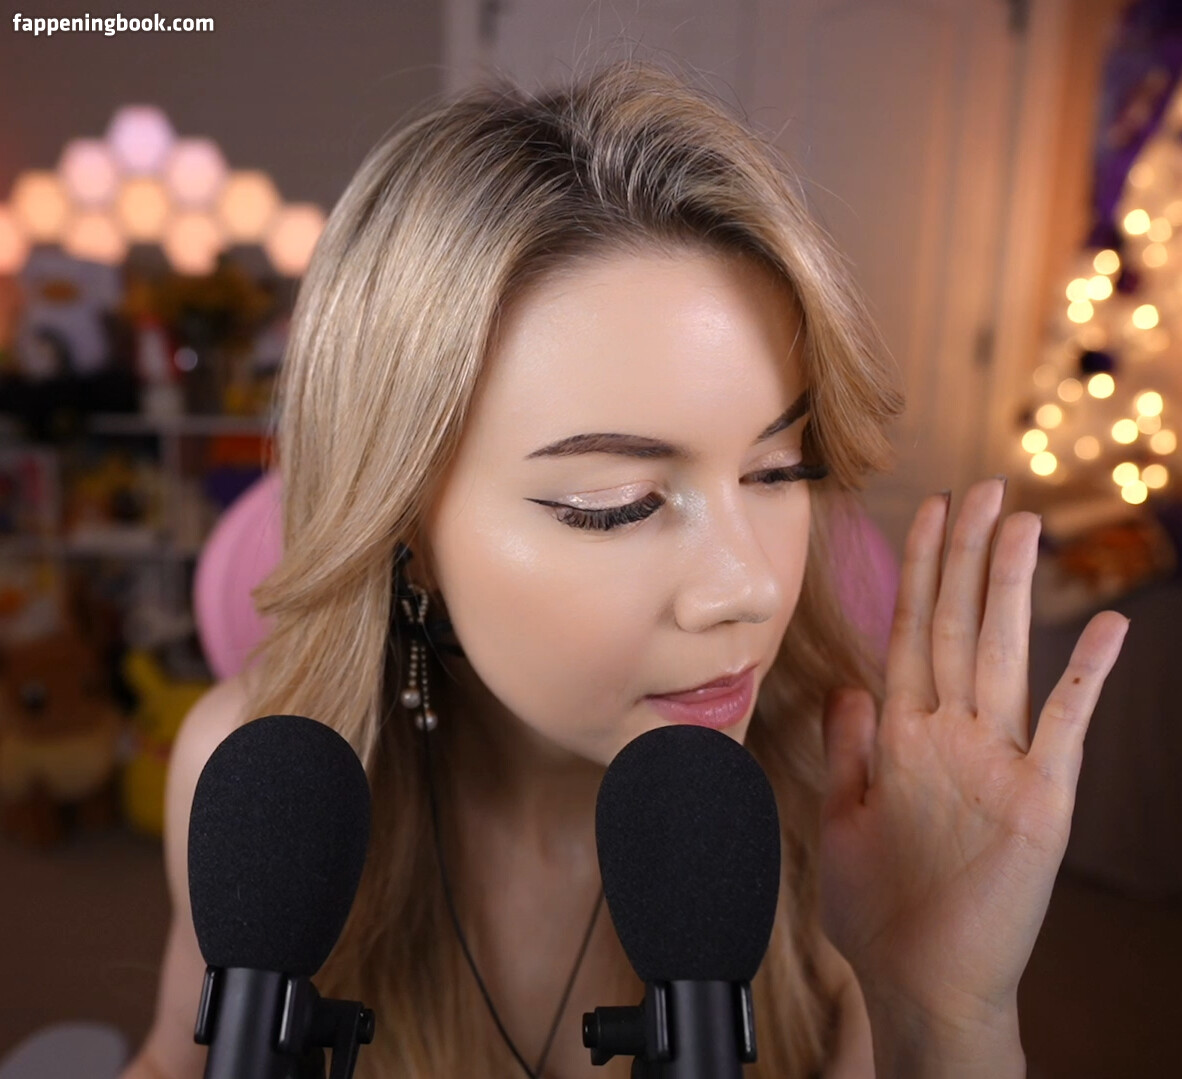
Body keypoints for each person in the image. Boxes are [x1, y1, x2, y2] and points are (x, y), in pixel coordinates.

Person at [121, 59, 1130, 1079]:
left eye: (780, 469)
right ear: (406, 527)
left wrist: (940, 1018)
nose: (750, 588)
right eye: (620, 502)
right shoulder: (258, 792)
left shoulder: (852, 810)